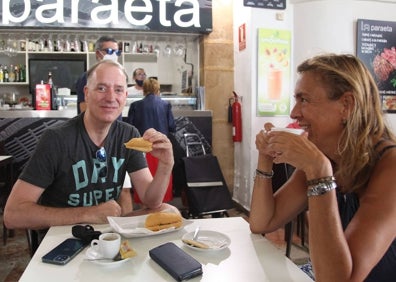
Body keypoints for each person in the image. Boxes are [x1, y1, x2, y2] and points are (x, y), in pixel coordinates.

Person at [249, 54, 396, 281]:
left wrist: (319, 173)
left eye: (304, 100)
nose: (294, 113)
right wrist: (265, 158)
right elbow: (262, 222)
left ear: (346, 105)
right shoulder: (328, 156)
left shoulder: (390, 165)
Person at [4, 60, 177, 243]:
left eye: (118, 90)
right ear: (86, 93)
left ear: (125, 96)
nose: (111, 97)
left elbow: (151, 201)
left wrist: (166, 165)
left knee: (168, 210)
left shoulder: (128, 134)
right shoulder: (56, 139)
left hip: (106, 238)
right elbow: (13, 214)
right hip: (63, 240)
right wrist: (90, 213)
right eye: (101, 88)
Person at [127, 77, 176, 204]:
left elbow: (130, 127)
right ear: (157, 89)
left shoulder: (135, 105)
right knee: (161, 184)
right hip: (161, 150)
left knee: (144, 186)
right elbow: (172, 126)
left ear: (144, 89)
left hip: (142, 150)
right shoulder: (165, 105)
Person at [76, 35, 121, 114]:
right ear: (98, 53)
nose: (114, 55)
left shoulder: (120, 77)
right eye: (109, 51)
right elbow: (85, 111)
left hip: (115, 124)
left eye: (116, 52)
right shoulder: (88, 77)